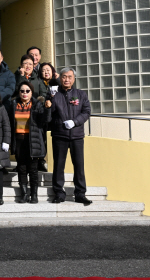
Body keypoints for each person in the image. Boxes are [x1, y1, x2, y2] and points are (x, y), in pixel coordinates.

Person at [48, 67, 92, 205]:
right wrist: (50, 101)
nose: (66, 79)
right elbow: (49, 115)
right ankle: (59, 193)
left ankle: (80, 193)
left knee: (79, 165)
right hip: (59, 135)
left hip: (77, 135)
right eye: (64, 77)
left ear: (74, 79)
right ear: (60, 78)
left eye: (69, 77)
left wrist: (75, 122)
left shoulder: (81, 94)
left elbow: (86, 112)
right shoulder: (54, 94)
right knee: (59, 165)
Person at [7, 81, 50, 204]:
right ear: (19, 92)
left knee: (33, 169)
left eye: (27, 91)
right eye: (22, 91)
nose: (24, 93)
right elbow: (10, 123)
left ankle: (34, 195)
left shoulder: (37, 105)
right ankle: (24, 194)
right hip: (19, 140)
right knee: (21, 168)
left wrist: (47, 109)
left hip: (33, 140)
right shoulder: (14, 104)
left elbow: (44, 121)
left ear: (32, 92)